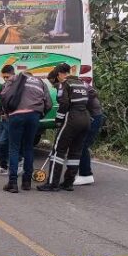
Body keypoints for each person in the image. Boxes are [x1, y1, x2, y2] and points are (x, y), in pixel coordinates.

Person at [37, 63, 91, 192]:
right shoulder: (80, 83)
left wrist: (58, 120)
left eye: (57, 77)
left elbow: (64, 103)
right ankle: (68, 183)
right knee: (75, 152)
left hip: (72, 119)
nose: (57, 80)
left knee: (58, 150)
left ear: (60, 74)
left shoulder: (64, 84)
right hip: (85, 119)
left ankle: (52, 184)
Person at [0, 71, 52, 193]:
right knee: (28, 147)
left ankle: (12, 183)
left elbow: (3, 96)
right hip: (34, 115)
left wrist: (6, 112)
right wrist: (39, 115)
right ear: (32, 75)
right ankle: (27, 182)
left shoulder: (14, 79)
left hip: (16, 116)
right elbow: (48, 104)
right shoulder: (40, 82)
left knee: (14, 148)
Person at [0, 65, 23, 176]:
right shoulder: (3, 86)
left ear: (13, 74)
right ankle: (2, 166)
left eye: (7, 77)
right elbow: (1, 102)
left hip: (13, 118)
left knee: (12, 143)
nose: (5, 79)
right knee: (1, 143)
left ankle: (19, 164)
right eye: (4, 77)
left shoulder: (19, 86)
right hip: (2, 118)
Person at [74, 76, 105, 186]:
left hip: (93, 117)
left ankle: (86, 175)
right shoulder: (82, 84)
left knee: (82, 146)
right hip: (92, 116)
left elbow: (91, 95)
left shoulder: (75, 86)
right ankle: (81, 173)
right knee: (80, 145)